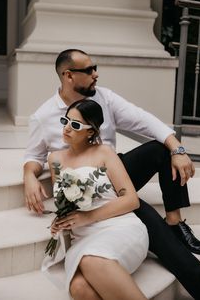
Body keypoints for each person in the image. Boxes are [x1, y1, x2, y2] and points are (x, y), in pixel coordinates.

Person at [24, 48, 200, 299]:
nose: (96, 74)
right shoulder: (43, 116)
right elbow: (33, 157)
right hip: (82, 183)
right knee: (148, 221)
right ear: (68, 76)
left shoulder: (105, 98)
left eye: (95, 67)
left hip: (115, 169)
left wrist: (178, 148)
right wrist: (29, 177)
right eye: (89, 70)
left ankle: (174, 221)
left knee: (161, 148)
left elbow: (145, 120)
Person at [43, 99, 149, 300]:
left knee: (91, 260)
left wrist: (88, 217)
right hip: (83, 237)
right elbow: (63, 201)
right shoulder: (55, 159)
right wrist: (61, 221)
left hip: (119, 228)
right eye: (65, 121)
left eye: (75, 125)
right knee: (79, 288)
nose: (66, 128)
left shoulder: (104, 152)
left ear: (90, 131)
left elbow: (131, 200)